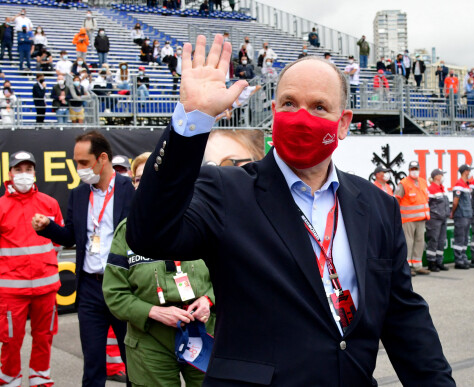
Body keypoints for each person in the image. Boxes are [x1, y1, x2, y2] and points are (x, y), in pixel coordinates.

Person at [127, 35, 454, 385]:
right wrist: (191, 122)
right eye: (289, 104)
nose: (302, 118)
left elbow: (404, 317)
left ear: (343, 123)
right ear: (273, 112)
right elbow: (150, 234)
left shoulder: (377, 206)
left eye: (318, 107)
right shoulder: (226, 190)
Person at [104, 152, 216, 386]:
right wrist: (153, 311)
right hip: (149, 340)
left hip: (204, 334)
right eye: (138, 179)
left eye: (152, 177)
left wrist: (208, 300)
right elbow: (115, 294)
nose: (145, 185)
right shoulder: (127, 232)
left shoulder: (203, 223)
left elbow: (231, 276)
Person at [33, 131, 134, 387]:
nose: (79, 169)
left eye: (84, 163)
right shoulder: (79, 194)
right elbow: (70, 236)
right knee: (92, 363)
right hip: (89, 287)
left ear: (102, 158)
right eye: (76, 162)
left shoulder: (129, 190)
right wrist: (47, 227)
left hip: (123, 285)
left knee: (133, 359)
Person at [0, 151, 63, 387]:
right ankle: (9, 380)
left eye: (28, 169)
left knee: (44, 337)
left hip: (46, 287)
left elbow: (58, 242)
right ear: (10, 174)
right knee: (11, 339)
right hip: (11, 291)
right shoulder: (1, 207)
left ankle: (40, 378)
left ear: (35, 173)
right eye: (19, 169)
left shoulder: (50, 203)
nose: (24, 175)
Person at [395, 161, 431, 276]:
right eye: (412, 169)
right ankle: (407, 267)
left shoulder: (423, 182)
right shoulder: (404, 183)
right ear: (409, 170)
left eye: (416, 168)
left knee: (420, 242)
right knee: (408, 243)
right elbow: (397, 199)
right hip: (408, 220)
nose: (414, 170)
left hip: (421, 219)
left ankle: (417, 265)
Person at [426, 168, 450, 272]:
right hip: (434, 219)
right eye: (441, 175)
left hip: (443, 219)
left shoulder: (443, 189)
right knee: (434, 240)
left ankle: (439, 262)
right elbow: (427, 204)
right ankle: (431, 262)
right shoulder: (430, 189)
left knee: (441, 241)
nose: (442, 177)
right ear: (436, 176)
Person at [450, 165, 473, 269]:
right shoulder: (459, 184)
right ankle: (458, 260)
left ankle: (463, 258)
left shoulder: (466, 184)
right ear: (465, 172)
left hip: (467, 215)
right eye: (469, 171)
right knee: (460, 238)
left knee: (464, 239)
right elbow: (455, 202)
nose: (470, 173)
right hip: (461, 215)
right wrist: (453, 213)